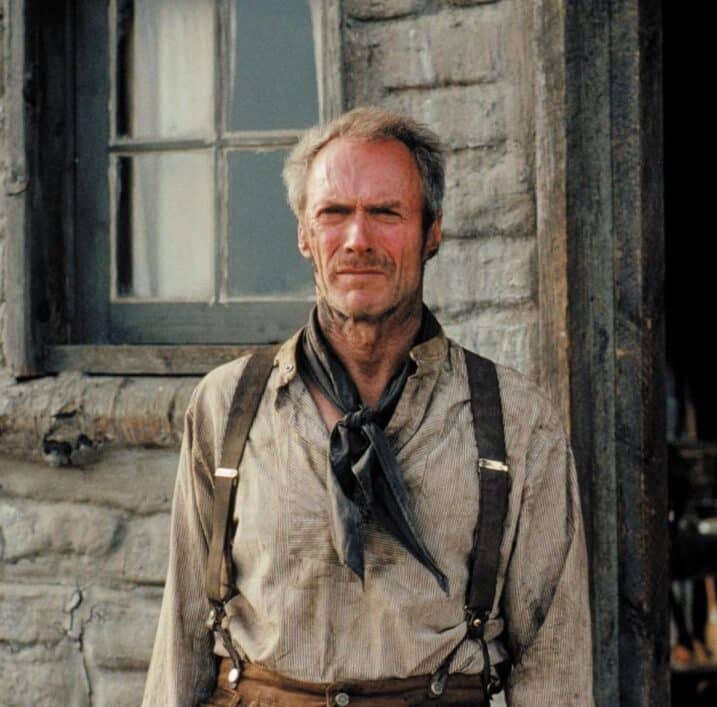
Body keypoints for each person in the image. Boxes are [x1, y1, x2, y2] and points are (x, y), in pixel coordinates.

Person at [142, 107, 593, 706]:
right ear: (304, 232)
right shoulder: (227, 408)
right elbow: (181, 641)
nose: (358, 240)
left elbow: (554, 665)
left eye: (386, 213)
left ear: (432, 231)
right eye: (334, 213)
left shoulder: (515, 421)